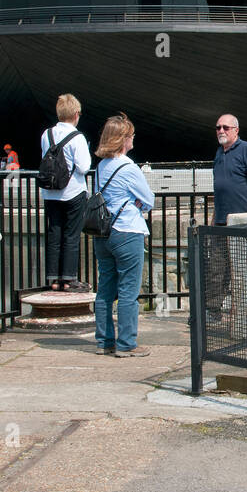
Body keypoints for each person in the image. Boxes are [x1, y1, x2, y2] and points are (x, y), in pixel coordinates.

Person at [92, 113, 156, 356]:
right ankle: (126, 344)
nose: (133, 139)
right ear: (123, 139)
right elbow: (148, 200)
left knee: (105, 289)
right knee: (129, 290)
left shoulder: (101, 167)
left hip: (103, 232)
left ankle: (104, 341)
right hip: (127, 231)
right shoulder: (128, 167)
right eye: (130, 136)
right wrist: (138, 204)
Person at [205, 114, 247, 322]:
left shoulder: (246, 149)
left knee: (245, 269)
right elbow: (219, 190)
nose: (221, 131)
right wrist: (213, 220)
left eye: (226, 127)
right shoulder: (219, 153)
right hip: (221, 221)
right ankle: (212, 310)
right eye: (218, 127)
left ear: (236, 130)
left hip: (241, 222)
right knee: (217, 269)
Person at [40, 94, 91, 293]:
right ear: (76, 114)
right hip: (72, 193)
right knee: (71, 235)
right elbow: (84, 167)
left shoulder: (47, 134)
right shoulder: (77, 137)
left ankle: (53, 279)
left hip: (50, 192)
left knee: (54, 234)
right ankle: (69, 279)